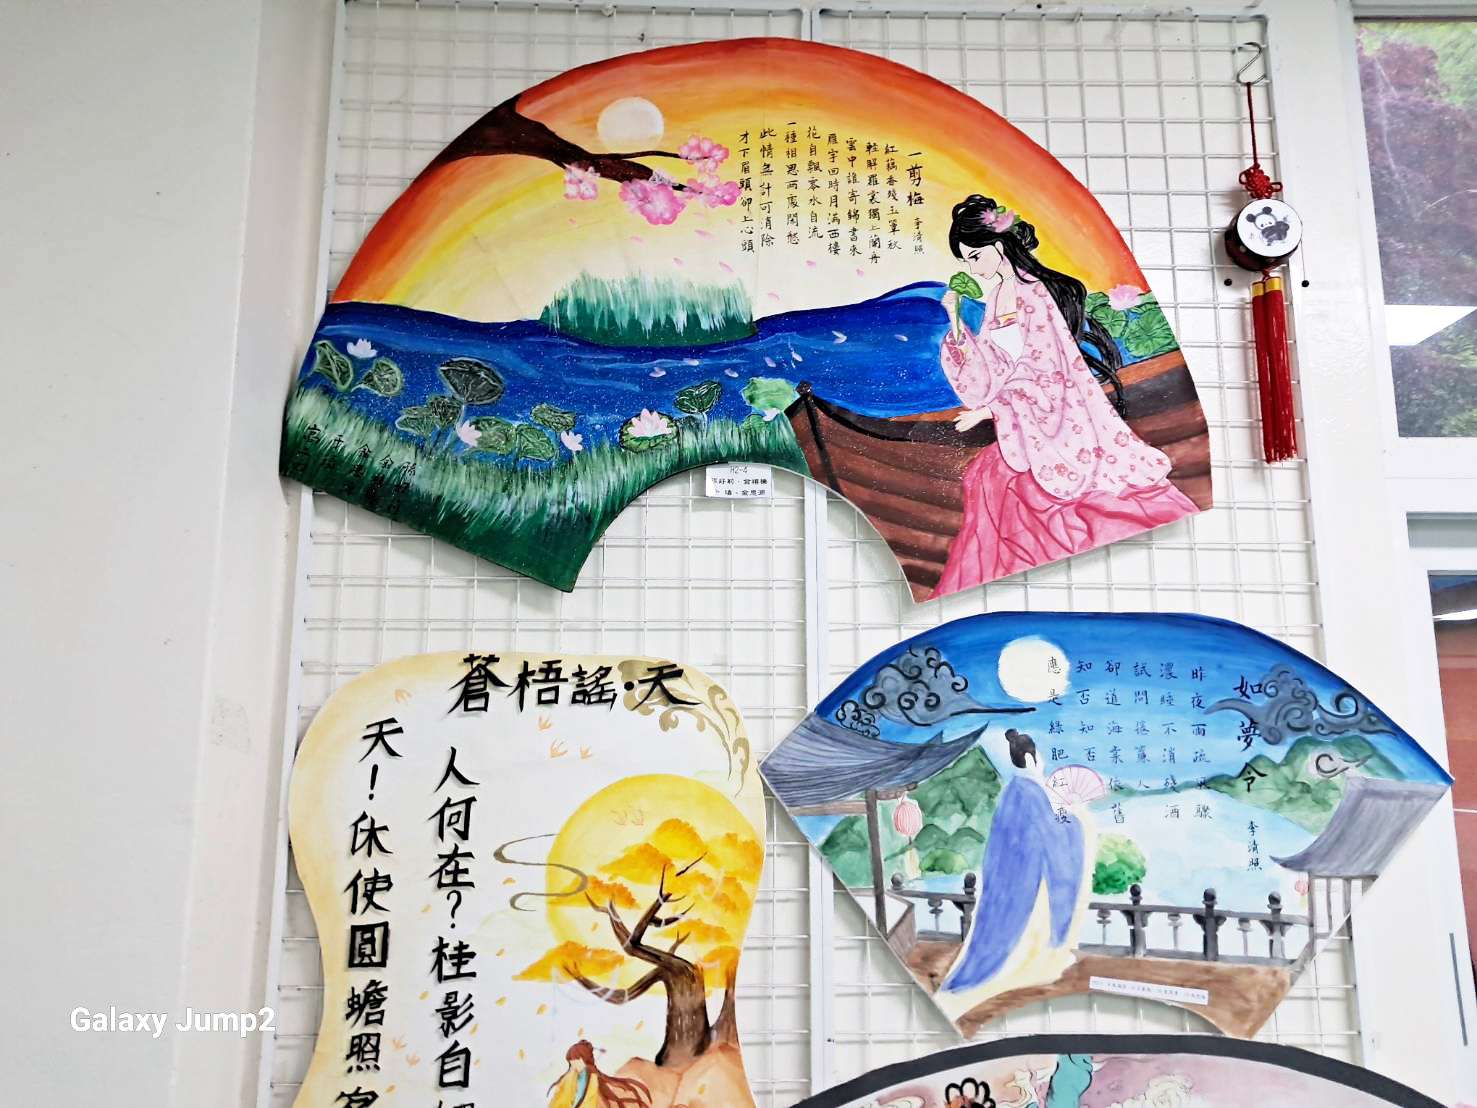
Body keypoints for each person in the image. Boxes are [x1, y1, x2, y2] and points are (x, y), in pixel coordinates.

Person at [934, 195, 1198, 595]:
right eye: (966, 260)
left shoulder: (1035, 293)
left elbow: (1045, 371)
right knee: (984, 476)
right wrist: (955, 321)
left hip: (1059, 420)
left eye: (975, 256)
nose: (972, 268)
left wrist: (991, 411)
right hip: (1029, 422)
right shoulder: (997, 297)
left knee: (999, 480)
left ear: (999, 245)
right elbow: (993, 369)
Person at [941, 728, 1083, 994]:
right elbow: (1056, 836)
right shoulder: (1030, 792)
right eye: (1039, 755)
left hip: (1014, 876)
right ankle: (1036, 963)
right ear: (1030, 759)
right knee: (1029, 928)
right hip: (1031, 876)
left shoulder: (1014, 790)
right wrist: (1072, 821)